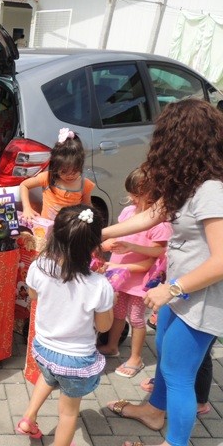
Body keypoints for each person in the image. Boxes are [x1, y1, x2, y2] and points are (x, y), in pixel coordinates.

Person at [101, 99, 223, 446]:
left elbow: (221, 261)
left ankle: (175, 441)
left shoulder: (211, 190)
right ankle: (154, 411)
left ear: (180, 142)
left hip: (199, 298)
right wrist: (98, 232)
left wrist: (172, 289)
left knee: (178, 374)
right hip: (178, 292)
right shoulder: (186, 183)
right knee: (167, 359)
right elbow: (150, 216)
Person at [15, 205, 113, 445]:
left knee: (48, 377)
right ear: (94, 245)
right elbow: (103, 326)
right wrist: (110, 304)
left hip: (43, 348)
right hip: (75, 360)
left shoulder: (39, 266)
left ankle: (28, 418)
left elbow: (34, 296)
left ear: (54, 236)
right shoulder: (99, 285)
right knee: (68, 414)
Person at [98, 168, 171, 378]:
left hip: (139, 281)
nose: (132, 199)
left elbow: (158, 253)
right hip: (120, 277)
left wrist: (132, 248)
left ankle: (136, 358)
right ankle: (112, 346)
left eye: (137, 195)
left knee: (137, 319)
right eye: (131, 194)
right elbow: (119, 235)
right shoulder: (129, 212)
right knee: (118, 314)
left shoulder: (160, 223)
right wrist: (109, 243)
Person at [19, 128, 95, 220]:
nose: (70, 175)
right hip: (46, 227)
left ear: (81, 165)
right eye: (64, 171)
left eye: (75, 171)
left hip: (68, 227)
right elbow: (24, 185)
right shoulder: (48, 178)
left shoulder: (84, 184)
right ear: (55, 167)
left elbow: (87, 205)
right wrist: (27, 208)